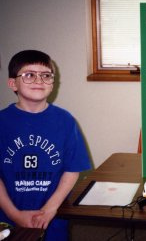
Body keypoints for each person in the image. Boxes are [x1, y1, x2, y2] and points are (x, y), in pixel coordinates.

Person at [0, 50, 91, 240]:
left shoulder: (65, 121)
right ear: (12, 83)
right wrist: (14, 214)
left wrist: (51, 208)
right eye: (29, 75)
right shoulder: (2, 122)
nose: (39, 80)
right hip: (8, 213)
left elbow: (72, 169)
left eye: (46, 75)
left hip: (52, 214)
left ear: (52, 83)